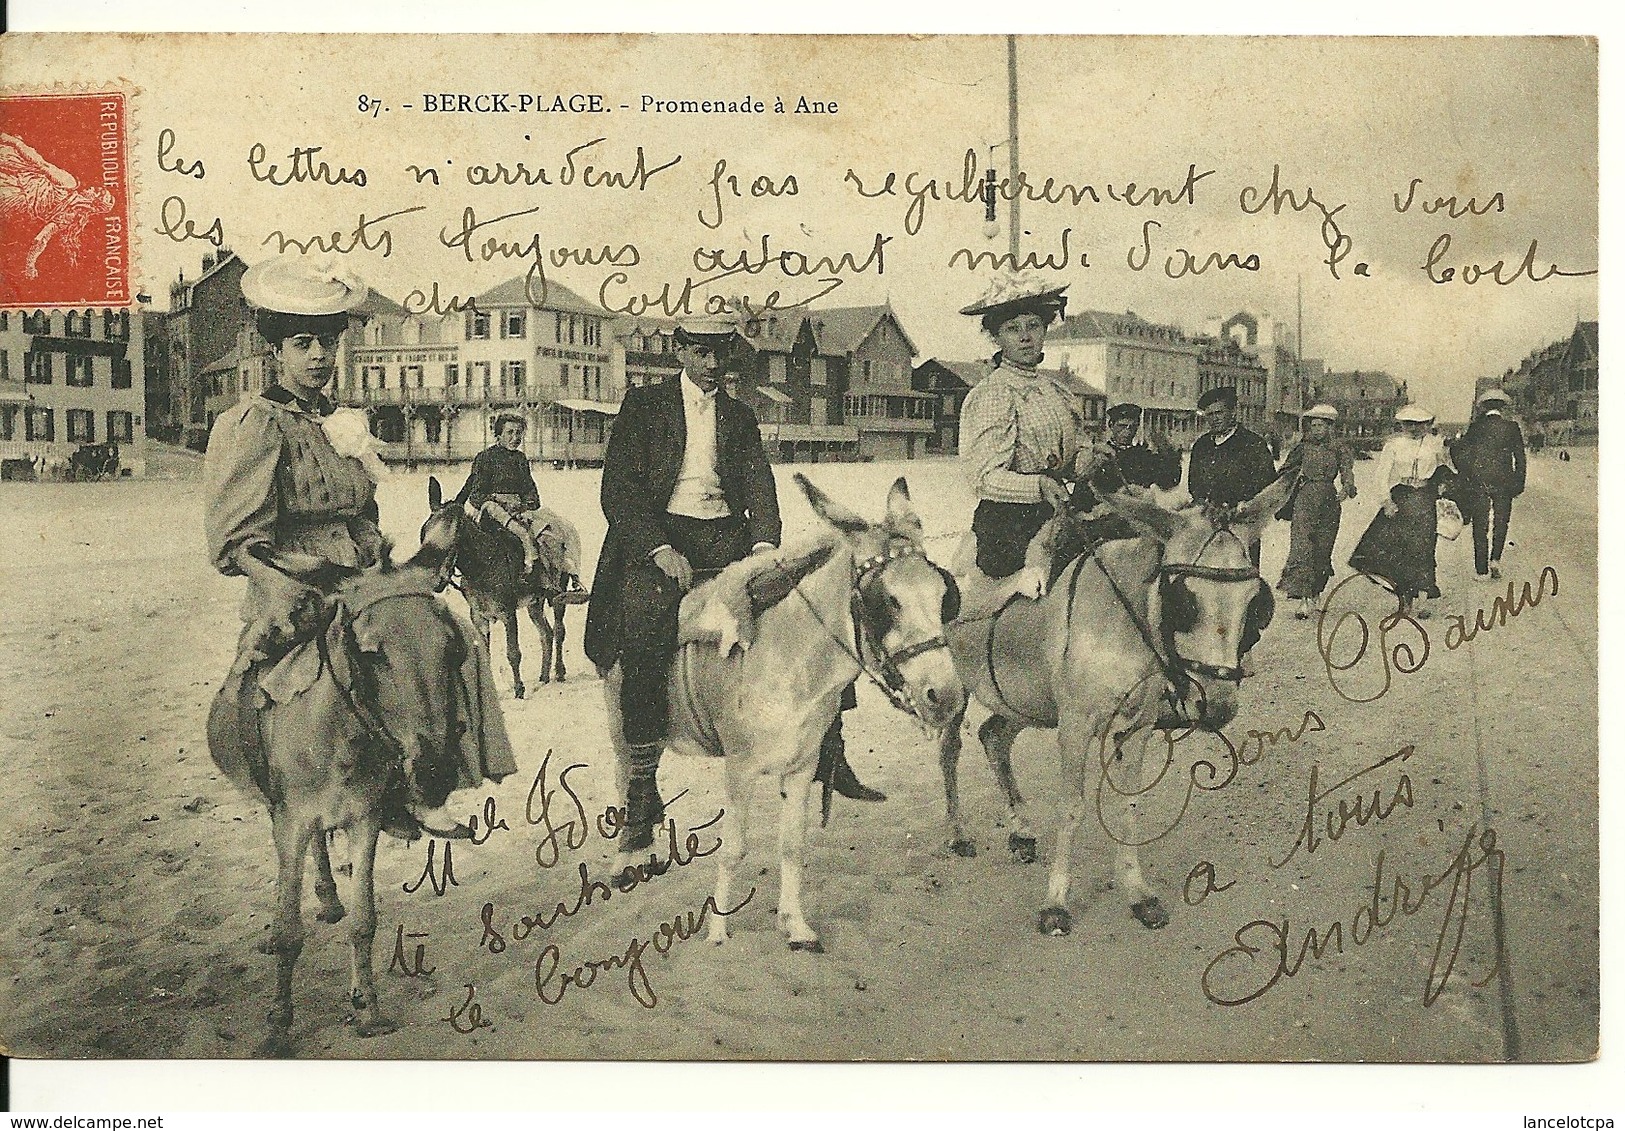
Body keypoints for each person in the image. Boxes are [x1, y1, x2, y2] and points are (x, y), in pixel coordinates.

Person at [204, 258, 516, 838]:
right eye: (303, 344)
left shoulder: (342, 422)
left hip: (363, 574)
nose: (319, 356)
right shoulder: (256, 423)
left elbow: (365, 515)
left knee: (447, 634)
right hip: (296, 580)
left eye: (327, 343)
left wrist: (402, 566)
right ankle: (292, 782)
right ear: (276, 350)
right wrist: (289, 585)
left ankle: (428, 784)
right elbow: (235, 543)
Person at [583, 317, 879, 854]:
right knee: (647, 632)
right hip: (662, 536)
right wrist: (658, 548)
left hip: (727, 538)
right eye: (700, 353)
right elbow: (619, 492)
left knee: (812, 605)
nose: (712, 365)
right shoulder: (643, 407)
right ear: (680, 350)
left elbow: (760, 487)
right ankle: (643, 786)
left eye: (720, 354)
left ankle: (830, 751)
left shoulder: (740, 416)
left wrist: (766, 547)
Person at [956, 273, 1081, 596]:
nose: (1025, 337)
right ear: (996, 338)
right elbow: (983, 478)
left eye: (1033, 326)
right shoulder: (994, 394)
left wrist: (1084, 461)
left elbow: (1061, 462)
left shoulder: (1056, 390)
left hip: (1057, 516)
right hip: (1008, 526)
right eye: (1013, 329)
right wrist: (1037, 485)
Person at [1352, 404, 1453, 618]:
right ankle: (1406, 600)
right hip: (1403, 498)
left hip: (1426, 499)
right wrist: (1386, 502)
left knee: (1425, 548)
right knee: (1403, 551)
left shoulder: (1435, 445)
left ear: (1427, 425)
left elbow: (1445, 469)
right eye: (1409, 424)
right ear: (1402, 425)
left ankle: (1424, 599)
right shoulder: (1394, 445)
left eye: (1419, 424)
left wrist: (1443, 484)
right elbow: (1381, 475)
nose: (1415, 429)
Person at [1276, 404, 1357, 619]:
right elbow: (1285, 471)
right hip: (1305, 499)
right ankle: (1303, 599)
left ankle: (1316, 592)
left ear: (1330, 427)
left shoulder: (1339, 448)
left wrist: (1346, 489)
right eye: (1313, 426)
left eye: (1321, 426)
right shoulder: (1302, 448)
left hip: (1329, 501)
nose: (1317, 430)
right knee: (1302, 547)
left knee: (1323, 548)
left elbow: (1347, 472)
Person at [1187, 386, 1278, 567]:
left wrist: (1244, 507)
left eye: (1219, 413)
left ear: (1233, 412)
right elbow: (1194, 484)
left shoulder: (1253, 444)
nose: (1214, 419)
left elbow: (1267, 486)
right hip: (1208, 523)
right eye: (1209, 414)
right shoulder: (1201, 446)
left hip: (1242, 525)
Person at [456, 413, 550, 577]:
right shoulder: (485, 458)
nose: (515, 437)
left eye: (519, 433)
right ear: (498, 435)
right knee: (492, 509)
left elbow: (531, 490)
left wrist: (526, 506)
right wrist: (499, 499)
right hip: (492, 513)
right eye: (510, 432)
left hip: (518, 511)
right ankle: (525, 539)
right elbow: (476, 495)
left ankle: (548, 578)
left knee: (548, 535)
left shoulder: (521, 459)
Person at [1452, 388, 1527, 582]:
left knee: (1480, 525)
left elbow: (1461, 452)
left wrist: (1466, 473)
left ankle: (1482, 570)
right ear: (1502, 407)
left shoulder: (1476, 427)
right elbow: (1520, 457)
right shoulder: (1512, 427)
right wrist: (1518, 483)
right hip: (1504, 483)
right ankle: (1495, 560)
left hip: (1480, 482)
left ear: (1484, 407)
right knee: (1501, 522)